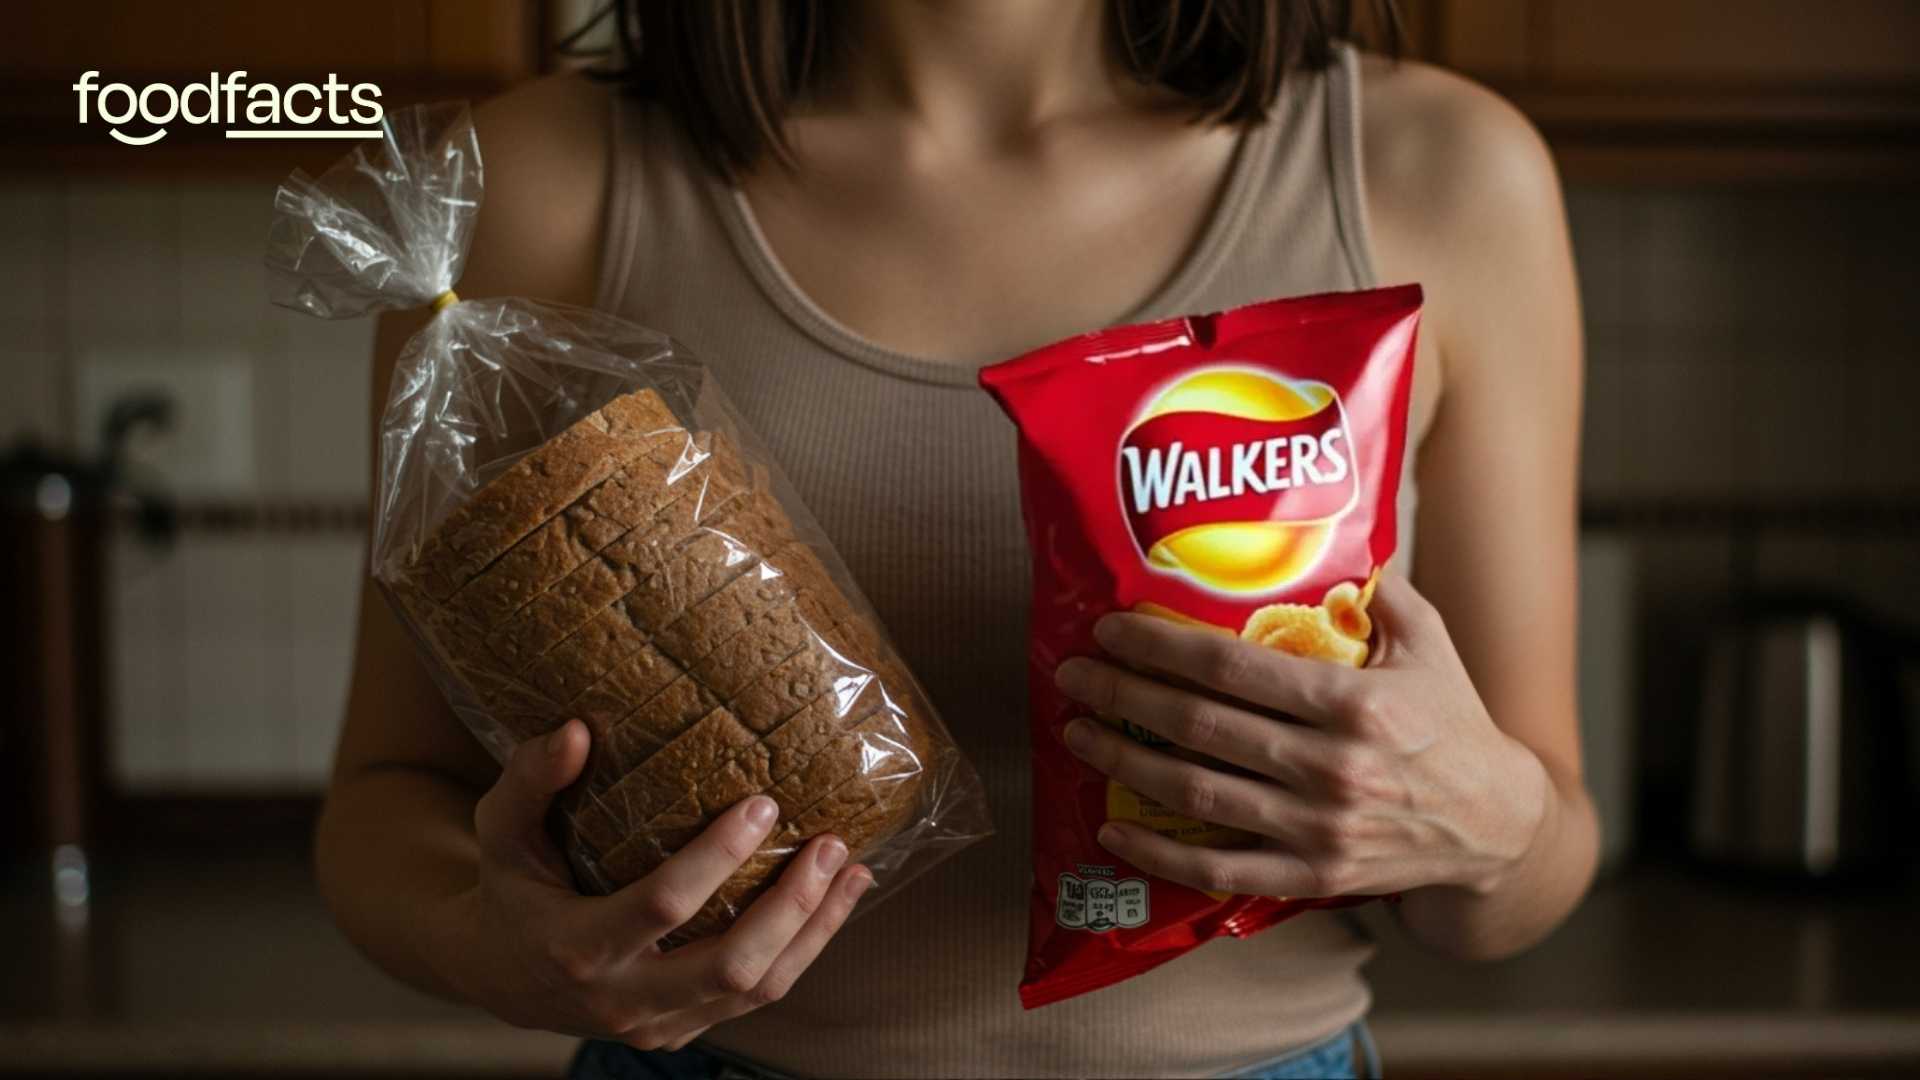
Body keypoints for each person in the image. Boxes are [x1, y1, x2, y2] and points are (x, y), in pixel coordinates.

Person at [314, 2, 1598, 1077]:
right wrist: (497, 948)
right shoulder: (530, 184)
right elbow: (385, 802)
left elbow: (1529, 865)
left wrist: (1487, 822)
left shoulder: (1437, 170)